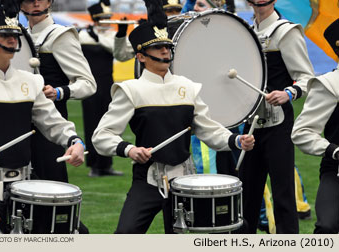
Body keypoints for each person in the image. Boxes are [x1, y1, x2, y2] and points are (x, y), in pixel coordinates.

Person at [92, 0, 255, 234]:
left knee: (199, 235)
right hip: (148, 179)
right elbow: (102, 135)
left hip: (184, 181)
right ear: (141, 57)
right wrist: (129, 150)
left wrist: (235, 141)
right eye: (158, 48)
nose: (165, 51)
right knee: (124, 235)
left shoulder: (188, 87)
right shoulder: (130, 90)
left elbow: (208, 129)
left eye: (167, 47)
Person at [0, 6, 85, 230]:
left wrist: (74, 141)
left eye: (14, 35)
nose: (12, 40)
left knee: (71, 231)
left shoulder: (31, 81)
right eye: (4, 35)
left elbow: (53, 122)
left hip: (23, 182)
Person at [238, 0, 314, 233]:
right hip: (250, 123)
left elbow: (306, 78)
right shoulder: (245, 32)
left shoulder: (286, 31)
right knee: (247, 196)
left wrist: (289, 93)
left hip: (278, 124)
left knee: (283, 196)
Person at [19, 0, 96, 182]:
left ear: (49, 2)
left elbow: (88, 83)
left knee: (49, 189)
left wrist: (59, 92)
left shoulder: (60, 35)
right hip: (19, 124)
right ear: (21, 5)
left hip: (51, 125)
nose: (36, 3)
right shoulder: (18, 37)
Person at [291, 18, 339, 234]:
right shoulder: (329, 84)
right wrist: (333, 150)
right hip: (336, 169)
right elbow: (302, 132)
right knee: (327, 228)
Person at [79, 0, 134, 177]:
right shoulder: (83, 36)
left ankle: (107, 165)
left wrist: (119, 34)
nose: (107, 21)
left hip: (107, 83)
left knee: (108, 124)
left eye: (108, 17)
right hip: (90, 84)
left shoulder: (110, 36)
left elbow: (120, 54)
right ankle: (94, 166)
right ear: (95, 19)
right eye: (103, 18)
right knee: (91, 123)